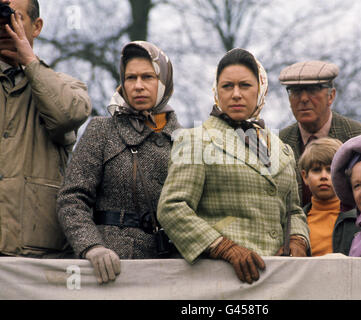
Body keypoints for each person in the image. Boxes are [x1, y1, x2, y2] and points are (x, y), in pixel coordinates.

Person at [157, 48, 310, 285]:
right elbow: (172, 208)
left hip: (279, 279)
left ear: (260, 89)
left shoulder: (282, 149)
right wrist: (223, 247)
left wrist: (298, 240)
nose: (236, 94)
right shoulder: (195, 140)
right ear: (216, 91)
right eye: (227, 86)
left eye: (245, 85)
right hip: (218, 279)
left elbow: (294, 210)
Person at [57, 41, 181, 284]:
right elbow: (71, 198)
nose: (138, 86)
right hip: (106, 268)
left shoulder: (184, 140)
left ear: (164, 82)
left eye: (148, 77)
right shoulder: (101, 130)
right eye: (130, 77)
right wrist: (92, 247)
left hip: (168, 269)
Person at [0, 0, 91, 257]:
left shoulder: (65, 86)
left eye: (14, 17)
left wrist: (29, 60)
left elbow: (67, 114)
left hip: (37, 252)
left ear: (37, 26)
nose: (5, 25)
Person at [278, 60, 361, 207]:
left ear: (331, 96)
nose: (304, 99)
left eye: (313, 90)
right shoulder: (276, 144)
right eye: (296, 91)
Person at [299, 137, 359, 256]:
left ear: (343, 175)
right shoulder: (297, 221)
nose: (324, 176)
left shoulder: (359, 219)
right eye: (316, 170)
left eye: (330, 170)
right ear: (305, 176)